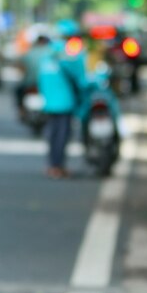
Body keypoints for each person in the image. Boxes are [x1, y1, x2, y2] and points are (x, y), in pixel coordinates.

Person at [37, 20, 87, 179]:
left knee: (53, 134)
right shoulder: (68, 52)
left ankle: (53, 165)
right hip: (64, 101)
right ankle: (57, 166)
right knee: (62, 135)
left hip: (50, 100)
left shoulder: (48, 52)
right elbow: (80, 76)